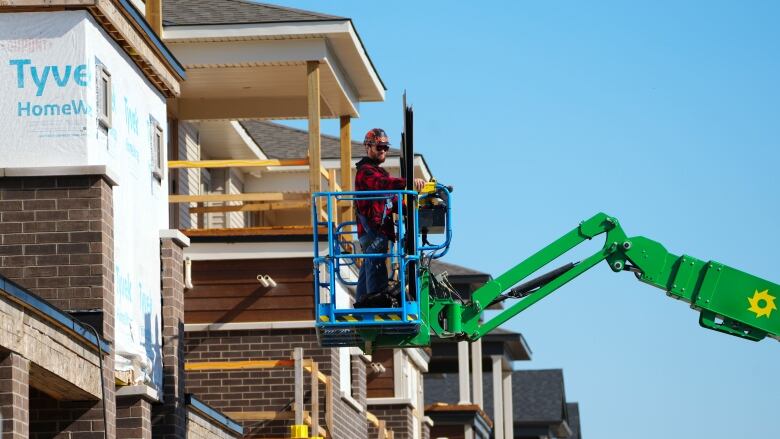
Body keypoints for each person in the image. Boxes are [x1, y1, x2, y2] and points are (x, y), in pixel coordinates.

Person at [354, 128, 425, 307]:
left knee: (370, 264)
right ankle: (373, 304)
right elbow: (383, 185)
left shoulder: (379, 172)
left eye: (385, 147)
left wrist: (413, 210)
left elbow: (392, 200)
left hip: (378, 231)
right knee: (375, 266)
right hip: (373, 230)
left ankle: (362, 303)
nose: (383, 151)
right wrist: (408, 182)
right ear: (368, 147)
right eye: (379, 147)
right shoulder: (366, 172)